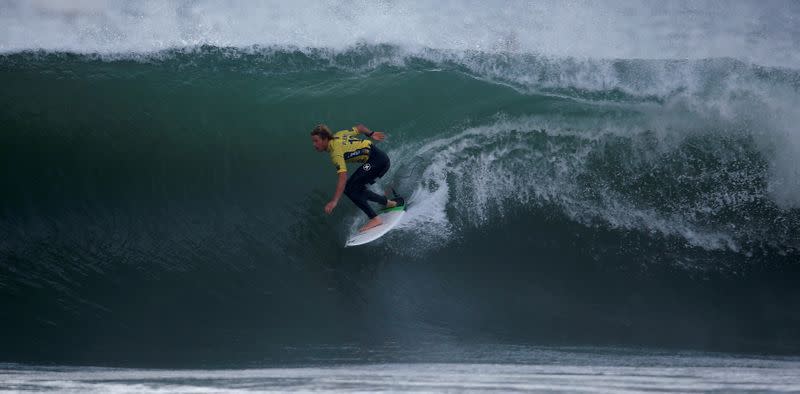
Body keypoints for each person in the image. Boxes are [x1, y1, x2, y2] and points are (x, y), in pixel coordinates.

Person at [311, 123, 402, 232]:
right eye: (313, 141)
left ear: (325, 138)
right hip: (377, 158)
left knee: (350, 188)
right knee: (354, 188)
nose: (314, 144)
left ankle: (375, 218)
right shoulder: (339, 135)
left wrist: (334, 201)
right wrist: (371, 133)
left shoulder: (335, 152)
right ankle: (389, 203)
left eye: (316, 141)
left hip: (377, 161)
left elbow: (343, 176)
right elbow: (360, 127)